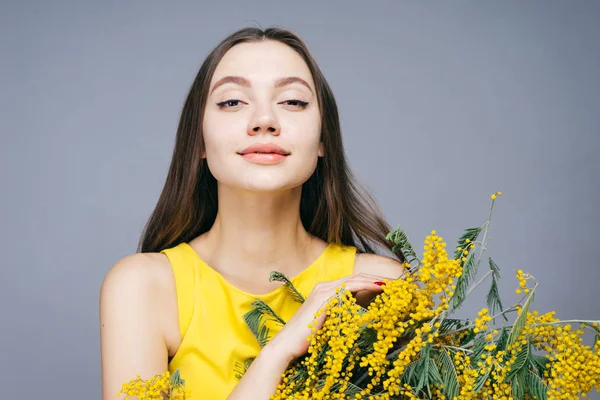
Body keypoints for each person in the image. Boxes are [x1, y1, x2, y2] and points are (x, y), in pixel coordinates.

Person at [100, 26, 408, 400]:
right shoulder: (145, 288)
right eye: (232, 102)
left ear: (323, 138)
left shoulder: (378, 289)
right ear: (198, 139)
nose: (264, 120)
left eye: (292, 101)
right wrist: (278, 352)